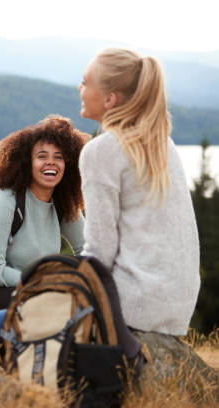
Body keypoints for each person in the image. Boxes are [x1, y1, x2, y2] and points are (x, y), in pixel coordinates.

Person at [77, 48, 200, 335]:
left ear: (110, 99)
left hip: (132, 306)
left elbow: (99, 251)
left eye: (85, 82)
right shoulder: (163, 143)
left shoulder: (100, 151)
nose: (79, 88)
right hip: (177, 309)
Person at [0, 116, 88, 323]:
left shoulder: (63, 203)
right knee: (53, 305)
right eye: (42, 156)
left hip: (30, 286)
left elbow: (87, 249)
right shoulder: (5, 199)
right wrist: (46, 281)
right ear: (27, 163)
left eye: (58, 157)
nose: (51, 162)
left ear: (68, 164)